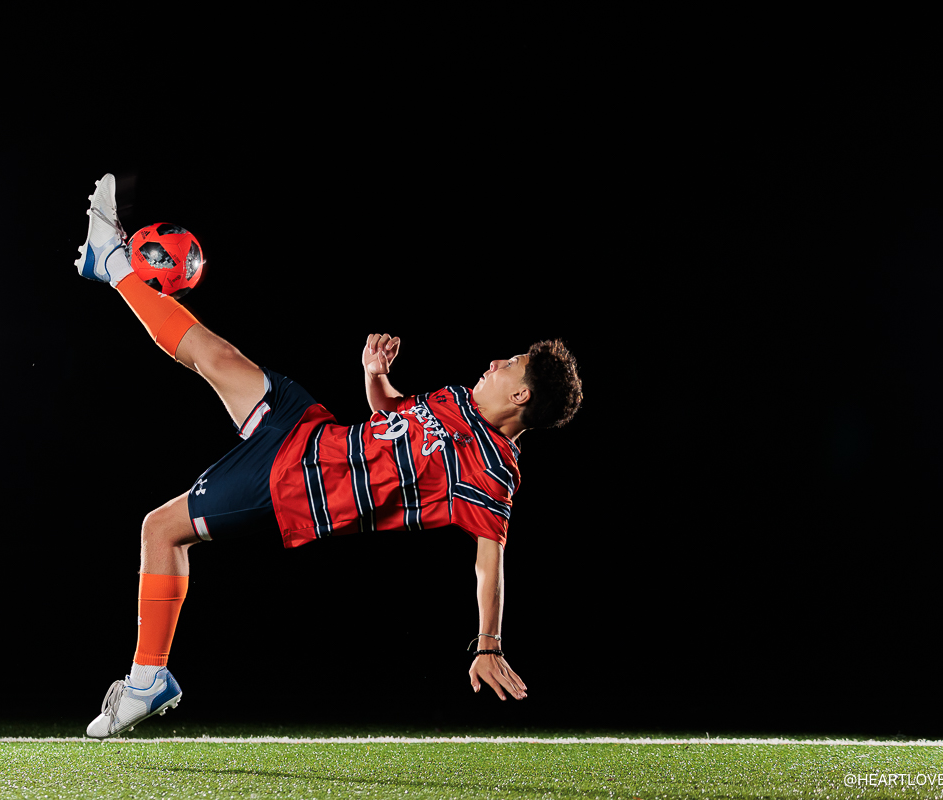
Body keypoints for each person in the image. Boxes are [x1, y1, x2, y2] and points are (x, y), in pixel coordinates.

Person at [73, 174, 584, 739]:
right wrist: (375, 375)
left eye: (510, 365)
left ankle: (147, 680)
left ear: (522, 396)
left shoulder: (490, 472)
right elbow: (391, 414)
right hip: (310, 428)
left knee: (160, 530)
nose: (495, 362)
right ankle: (112, 263)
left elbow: (490, 561)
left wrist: (488, 644)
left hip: (296, 482)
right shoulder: (458, 399)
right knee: (213, 354)